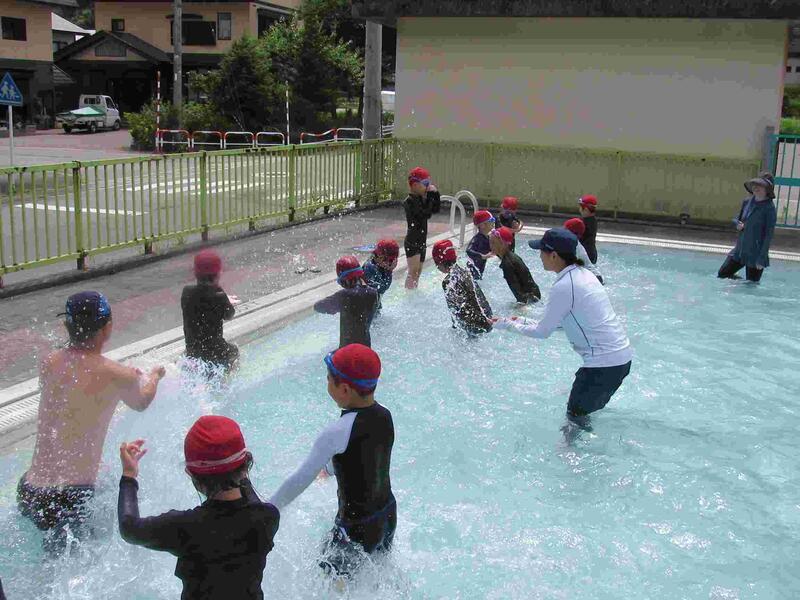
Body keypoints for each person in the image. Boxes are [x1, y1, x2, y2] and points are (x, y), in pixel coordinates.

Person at [18, 291, 165, 555]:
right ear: (107, 327)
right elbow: (142, 401)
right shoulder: (116, 374)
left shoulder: (49, 362)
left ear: (66, 325)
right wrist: (154, 375)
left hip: (30, 490)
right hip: (70, 498)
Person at [118, 416, 280, 600]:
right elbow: (246, 489)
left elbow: (129, 528)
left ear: (190, 474)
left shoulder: (185, 527)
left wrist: (129, 476)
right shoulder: (267, 517)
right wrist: (226, 452)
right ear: (247, 463)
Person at [269, 344, 394, 581]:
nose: (326, 383)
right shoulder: (385, 414)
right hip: (387, 515)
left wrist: (268, 509)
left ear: (344, 389)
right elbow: (366, 455)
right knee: (377, 577)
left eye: (328, 379)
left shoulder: (337, 431)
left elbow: (300, 479)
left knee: (330, 584)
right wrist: (329, 469)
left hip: (355, 528)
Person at [492, 229, 632, 433]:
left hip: (602, 366)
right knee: (581, 417)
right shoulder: (584, 275)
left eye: (542, 251)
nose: (539, 255)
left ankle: (574, 453)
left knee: (574, 421)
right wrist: (522, 320)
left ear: (554, 255)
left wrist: (506, 324)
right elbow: (567, 322)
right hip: (619, 361)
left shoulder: (565, 285)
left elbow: (542, 332)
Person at [181, 249, 240, 373]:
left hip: (192, 352)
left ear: (195, 273)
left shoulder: (186, 292)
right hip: (216, 352)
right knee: (234, 351)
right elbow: (230, 315)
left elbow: (202, 299)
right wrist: (224, 298)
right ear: (218, 273)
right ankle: (228, 378)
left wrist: (221, 297)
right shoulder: (219, 296)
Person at [717, 172, 777, 283]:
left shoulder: (770, 209)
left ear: (767, 189)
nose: (756, 187)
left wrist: (761, 258)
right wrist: (737, 224)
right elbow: (736, 218)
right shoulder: (747, 202)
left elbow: (768, 235)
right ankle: (738, 285)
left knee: (751, 284)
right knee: (722, 274)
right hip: (740, 250)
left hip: (755, 254)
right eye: (755, 184)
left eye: (760, 185)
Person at [314, 256, 379, 348]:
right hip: (366, 348)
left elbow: (318, 306)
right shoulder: (374, 293)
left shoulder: (344, 295)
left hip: (347, 350)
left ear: (343, 280)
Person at [432, 239, 493, 335]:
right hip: (488, 319)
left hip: (475, 327)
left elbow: (455, 310)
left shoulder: (448, 282)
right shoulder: (465, 273)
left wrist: (455, 328)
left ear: (439, 263)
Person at [403, 167, 441, 289]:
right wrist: (430, 196)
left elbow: (435, 209)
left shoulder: (421, 198)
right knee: (413, 271)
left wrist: (435, 194)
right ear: (414, 185)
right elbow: (425, 214)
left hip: (421, 240)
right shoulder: (409, 201)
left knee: (418, 271)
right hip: (412, 241)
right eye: (425, 183)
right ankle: (408, 294)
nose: (428, 186)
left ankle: (413, 291)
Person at [489, 227, 541, 304]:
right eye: (490, 242)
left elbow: (517, 289)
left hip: (530, 299)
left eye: (493, 243)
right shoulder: (511, 257)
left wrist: (521, 305)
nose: (490, 245)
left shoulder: (507, 264)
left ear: (503, 244)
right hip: (534, 294)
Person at [564, 218, 604, 285]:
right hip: (594, 277)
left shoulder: (574, 246)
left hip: (593, 278)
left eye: (565, 230)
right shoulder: (574, 244)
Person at [362, 239, 400, 310]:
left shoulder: (380, 265)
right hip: (364, 308)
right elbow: (382, 288)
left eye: (392, 260)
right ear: (379, 256)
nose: (389, 263)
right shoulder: (370, 267)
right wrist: (389, 271)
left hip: (373, 303)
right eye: (388, 260)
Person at [466, 210, 496, 279]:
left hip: (479, 270)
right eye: (491, 220)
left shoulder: (488, 238)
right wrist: (483, 256)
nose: (494, 222)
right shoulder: (477, 239)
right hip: (471, 271)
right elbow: (468, 250)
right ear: (482, 225)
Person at [578, 194, 599, 264]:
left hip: (585, 255)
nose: (579, 209)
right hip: (592, 254)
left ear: (586, 209)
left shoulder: (582, 223)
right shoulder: (594, 221)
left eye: (580, 207)